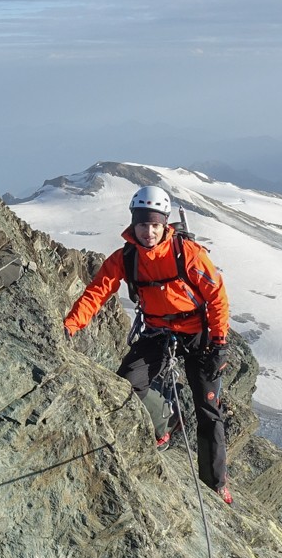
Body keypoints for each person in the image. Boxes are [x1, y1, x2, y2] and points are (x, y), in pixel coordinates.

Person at [63, 186, 233, 504]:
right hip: (157, 331)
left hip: (198, 334)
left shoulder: (188, 253)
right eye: (143, 224)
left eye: (155, 224)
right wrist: (72, 324)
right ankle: (160, 425)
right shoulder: (126, 258)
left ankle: (216, 483)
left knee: (209, 409)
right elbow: (97, 292)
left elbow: (216, 296)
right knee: (126, 384)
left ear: (165, 224)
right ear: (134, 223)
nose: (149, 231)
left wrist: (220, 344)